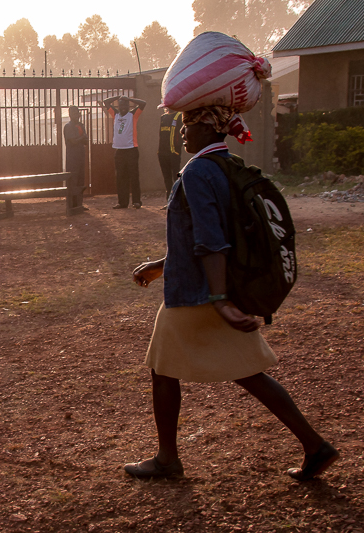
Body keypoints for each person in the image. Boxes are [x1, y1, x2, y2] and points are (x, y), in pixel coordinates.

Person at [124, 105, 339, 481]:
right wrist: (162, 265)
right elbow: (211, 233)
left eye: (188, 126)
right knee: (248, 373)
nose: (183, 134)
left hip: (198, 294)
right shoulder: (229, 166)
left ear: (208, 129)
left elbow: (210, 240)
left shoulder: (196, 171)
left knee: (162, 371)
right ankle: (314, 446)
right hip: (217, 286)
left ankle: (167, 459)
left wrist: (218, 300)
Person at [101, 95, 146, 209]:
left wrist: (129, 99)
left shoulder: (133, 115)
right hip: (119, 151)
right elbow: (106, 102)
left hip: (131, 150)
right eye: (121, 105)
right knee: (121, 177)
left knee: (134, 176)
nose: (123, 107)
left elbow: (143, 103)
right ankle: (122, 202)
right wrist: (117, 97)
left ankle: (136, 201)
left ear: (128, 106)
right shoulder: (115, 114)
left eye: (125, 105)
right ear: (118, 106)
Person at [63, 106, 89, 209]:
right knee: (73, 180)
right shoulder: (68, 127)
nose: (76, 115)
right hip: (72, 157)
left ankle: (79, 204)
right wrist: (82, 138)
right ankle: (72, 204)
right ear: (70, 115)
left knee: (80, 180)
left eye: (77, 113)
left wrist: (81, 139)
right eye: (73, 113)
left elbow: (86, 141)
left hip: (81, 156)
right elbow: (73, 141)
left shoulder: (81, 126)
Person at [158, 108, 183, 202]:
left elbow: (181, 136)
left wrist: (177, 149)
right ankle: (169, 201)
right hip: (162, 153)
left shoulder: (179, 116)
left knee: (176, 177)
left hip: (174, 153)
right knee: (167, 178)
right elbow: (161, 136)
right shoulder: (163, 117)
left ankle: (179, 200)